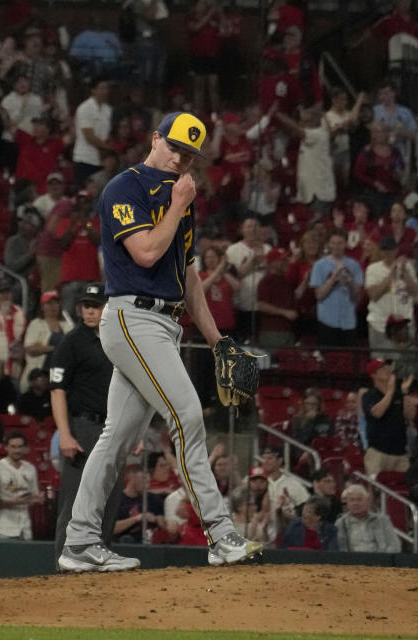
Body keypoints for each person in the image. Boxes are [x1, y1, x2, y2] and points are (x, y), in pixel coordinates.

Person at [58, 112, 265, 573]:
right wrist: (177, 204)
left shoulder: (181, 196)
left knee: (116, 440)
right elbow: (147, 252)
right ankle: (219, 533)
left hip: (165, 323)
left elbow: (188, 276)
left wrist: (217, 341)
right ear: (154, 139)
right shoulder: (123, 188)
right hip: (132, 316)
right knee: (187, 415)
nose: (178, 158)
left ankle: (79, 542)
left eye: (188, 155)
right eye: (173, 147)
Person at [310, 229, 364, 346]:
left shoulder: (354, 265)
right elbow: (319, 296)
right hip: (327, 321)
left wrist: (350, 282)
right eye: (333, 243)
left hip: (348, 321)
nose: (336, 246)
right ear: (329, 244)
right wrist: (333, 279)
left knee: (348, 360)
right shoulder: (319, 265)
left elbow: (356, 298)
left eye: (340, 243)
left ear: (345, 244)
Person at [363, 359, 416, 476]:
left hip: (400, 453)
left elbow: (410, 415)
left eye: (388, 368)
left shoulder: (398, 394)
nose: (388, 370)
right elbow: (377, 413)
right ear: (373, 375)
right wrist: (390, 391)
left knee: (404, 490)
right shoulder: (369, 395)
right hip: (378, 453)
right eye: (382, 369)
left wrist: (404, 392)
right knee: (377, 490)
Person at [0, 430, 42, 539]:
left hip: (25, 530)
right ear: (6, 447)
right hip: (3, 529)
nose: (17, 450)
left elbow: (32, 497)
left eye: (20, 447)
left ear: (25, 448)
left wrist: (36, 500)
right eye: (13, 447)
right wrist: (13, 502)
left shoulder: (30, 468)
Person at [334, 483, 402, 553]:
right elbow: (339, 550)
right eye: (352, 500)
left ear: (368, 501)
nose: (355, 503)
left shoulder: (382, 520)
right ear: (347, 503)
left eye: (359, 499)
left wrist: (382, 559)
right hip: (352, 562)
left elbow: (395, 545)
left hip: (379, 560)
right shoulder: (341, 523)